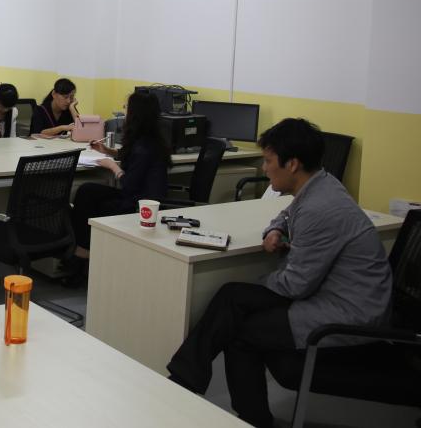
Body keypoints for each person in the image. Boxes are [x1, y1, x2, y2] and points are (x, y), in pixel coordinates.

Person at [166, 118, 392, 428]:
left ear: (293, 164)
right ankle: (189, 383)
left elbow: (294, 286)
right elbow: (287, 214)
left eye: (269, 160)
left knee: (238, 323)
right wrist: (275, 229)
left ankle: (203, 392)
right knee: (233, 298)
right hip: (333, 297)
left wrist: (259, 286)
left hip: (348, 315)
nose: (264, 167)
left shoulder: (320, 208)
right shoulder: (322, 184)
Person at [70, 90, 170, 259]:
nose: (124, 110)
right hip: (141, 195)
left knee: (87, 195)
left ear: (135, 114)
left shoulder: (143, 147)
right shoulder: (151, 139)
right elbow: (132, 156)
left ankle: (84, 248)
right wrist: (108, 151)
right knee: (87, 190)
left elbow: (128, 185)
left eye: (127, 107)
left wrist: (112, 166)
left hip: (140, 204)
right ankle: (84, 246)